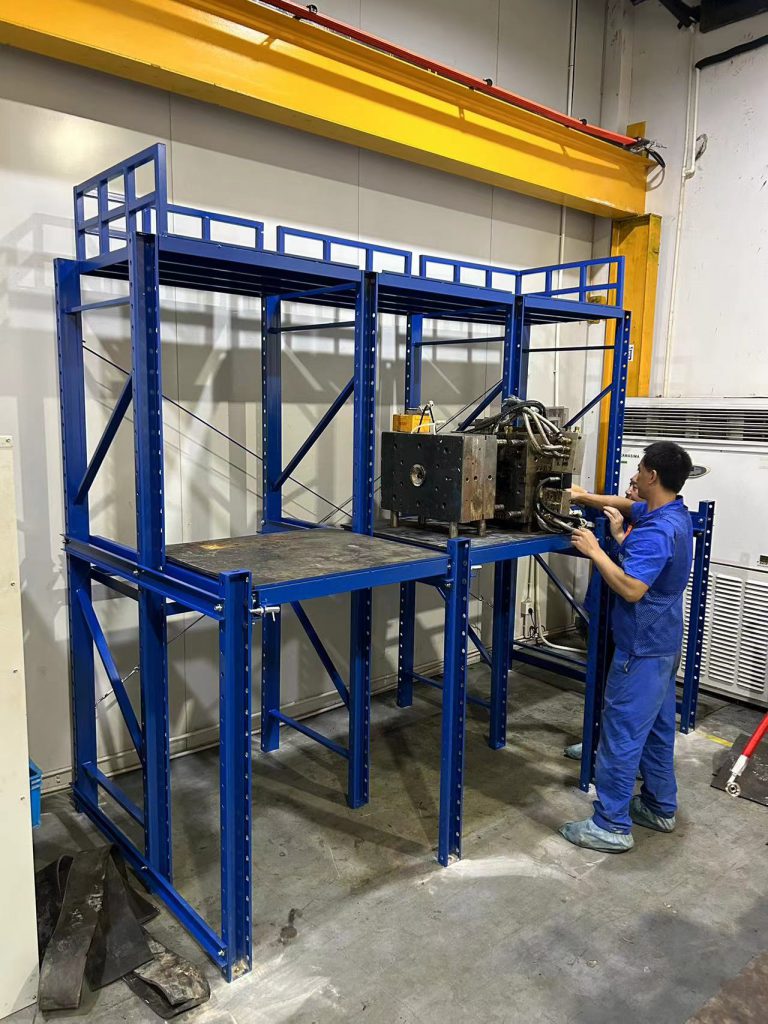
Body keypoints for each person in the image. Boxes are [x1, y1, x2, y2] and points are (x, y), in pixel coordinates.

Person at [558, 441, 694, 853]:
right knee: (656, 730)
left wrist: (596, 551)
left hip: (641, 649)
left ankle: (611, 825)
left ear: (652, 475)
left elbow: (633, 589)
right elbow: (628, 506)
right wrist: (584, 498)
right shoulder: (673, 513)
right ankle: (658, 806)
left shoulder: (657, 531)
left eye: (639, 469)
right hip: (663, 644)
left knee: (620, 734)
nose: (634, 476)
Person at [562, 475, 640, 762]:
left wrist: (617, 538)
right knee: (602, 685)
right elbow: (588, 500)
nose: (628, 491)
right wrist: (576, 493)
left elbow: (634, 580)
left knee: (623, 696)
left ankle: (621, 753)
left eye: (635, 486)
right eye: (629, 485)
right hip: (600, 613)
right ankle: (597, 741)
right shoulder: (618, 513)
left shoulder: (651, 526)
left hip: (627, 623)